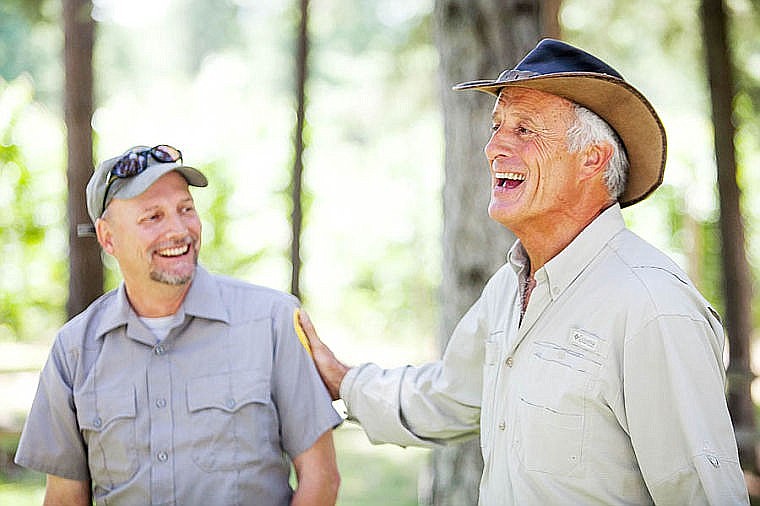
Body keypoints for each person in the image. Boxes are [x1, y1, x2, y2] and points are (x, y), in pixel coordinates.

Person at [298, 39, 750, 504]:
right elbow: (447, 399)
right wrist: (342, 379)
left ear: (592, 159)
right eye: (497, 127)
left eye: (525, 129)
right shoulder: (510, 287)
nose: (494, 147)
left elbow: (704, 494)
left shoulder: (652, 307)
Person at [15, 144, 342, 505]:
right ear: (108, 237)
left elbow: (321, 478)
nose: (178, 230)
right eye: (153, 217)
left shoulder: (272, 321)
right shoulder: (74, 350)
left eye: (185, 210)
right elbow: (63, 499)